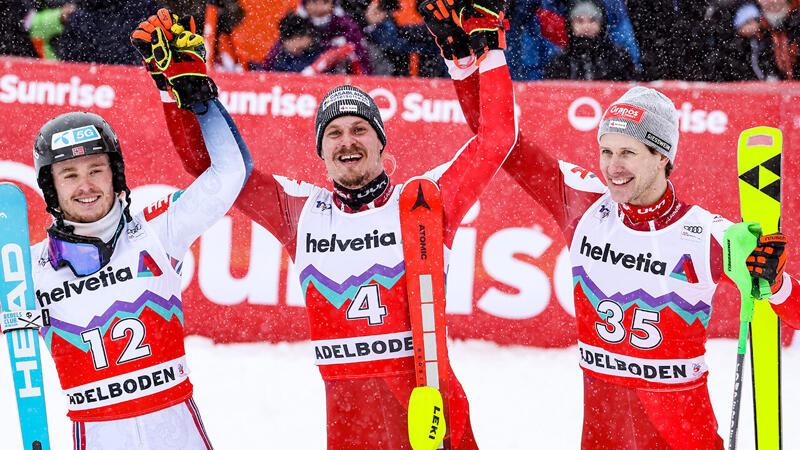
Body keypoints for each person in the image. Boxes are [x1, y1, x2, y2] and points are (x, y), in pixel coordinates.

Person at [142, 0, 516, 446]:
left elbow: (497, 136)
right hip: (348, 427)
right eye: (333, 133)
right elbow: (209, 171)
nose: (346, 141)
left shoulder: (423, 200)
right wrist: (180, 94)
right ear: (321, 152)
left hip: (430, 419)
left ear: (381, 143)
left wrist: (480, 52)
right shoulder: (299, 212)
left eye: (359, 128)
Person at [497, 86, 800, 448]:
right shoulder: (584, 207)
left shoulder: (706, 235)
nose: (613, 166)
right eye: (606, 151)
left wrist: (775, 282)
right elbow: (501, 143)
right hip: (602, 436)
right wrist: (472, 61)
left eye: (628, 152)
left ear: (662, 157)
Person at [30, 14, 252, 448]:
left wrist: (198, 100)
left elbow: (229, 174)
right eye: (69, 175)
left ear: (116, 175)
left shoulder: (155, 231)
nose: (87, 185)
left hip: (178, 433)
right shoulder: (27, 269)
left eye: (97, 169)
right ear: (50, 187)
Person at [543, 0, 636, 80]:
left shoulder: (618, 57)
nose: (586, 27)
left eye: (592, 20)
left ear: (601, 24)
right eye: (580, 21)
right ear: (570, 25)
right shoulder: (559, 62)